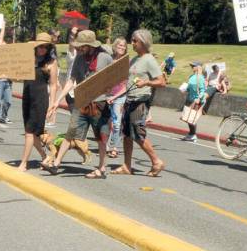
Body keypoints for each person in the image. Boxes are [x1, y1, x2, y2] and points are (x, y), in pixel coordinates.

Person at [47, 30, 114, 179]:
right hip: (82, 101)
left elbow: (115, 78)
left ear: (90, 45)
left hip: (100, 103)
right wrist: (58, 100)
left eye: (82, 46)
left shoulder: (105, 58)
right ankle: (56, 164)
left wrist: (112, 95)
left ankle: (102, 168)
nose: (80, 49)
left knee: (101, 136)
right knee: (71, 132)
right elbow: (72, 80)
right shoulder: (79, 58)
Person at [110, 29, 166, 177]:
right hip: (129, 100)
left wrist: (146, 82)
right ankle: (126, 165)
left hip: (140, 101)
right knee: (127, 134)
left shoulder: (149, 59)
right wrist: (115, 96)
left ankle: (156, 161)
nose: (132, 43)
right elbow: (127, 83)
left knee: (138, 133)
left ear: (144, 42)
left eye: (135, 41)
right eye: (132, 40)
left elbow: (161, 81)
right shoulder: (134, 59)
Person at [16, 33, 59, 172]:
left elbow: (53, 85)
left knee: (29, 132)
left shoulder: (51, 62)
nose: (42, 49)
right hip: (27, 96)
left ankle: (23, 163)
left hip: (40, 99)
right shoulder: (29, 58)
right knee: (32, 133)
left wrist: (52, 104)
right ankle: (46, 156)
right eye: (40, 46)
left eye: (45, 47)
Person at [105, 37, 128, 158]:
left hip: (120, 96)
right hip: (106, 95)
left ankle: (112, 147)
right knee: (109, 124)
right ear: (114, 46)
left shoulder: (126, 63)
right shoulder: (109, 60)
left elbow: (126, 85)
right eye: (119, 45)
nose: (122, 47)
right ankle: (109, 145)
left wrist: (115, 96)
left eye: (124, 46)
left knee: (117, 124)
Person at [181, 61, 206, 142]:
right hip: (190, 99)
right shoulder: (192, 76)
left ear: (198, 67)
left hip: (197, 101)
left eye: (193, 66)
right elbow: (189, 87)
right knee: (188, 118)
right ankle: (191, 134)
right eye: (192, 66)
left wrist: (199, 98)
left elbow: (203, 90)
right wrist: (185, 89)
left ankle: (193, 135)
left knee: (192, 118)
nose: (192, 67)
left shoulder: (201, 77)